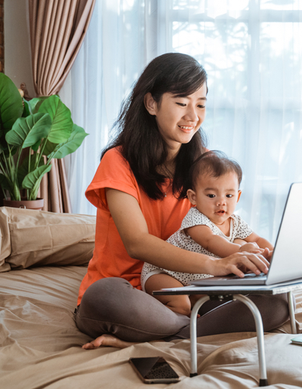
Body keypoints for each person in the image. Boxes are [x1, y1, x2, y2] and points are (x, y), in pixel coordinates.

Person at [75, 53, 289, 349]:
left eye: (200, 104)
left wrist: (259, 254)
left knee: (276, 303)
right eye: (181, 103)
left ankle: (169, 334)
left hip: (190, 291)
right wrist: (217, 264)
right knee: (103, 296)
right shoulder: (118, 161)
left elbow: (225, 223)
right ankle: (190, 330)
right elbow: (137, 242)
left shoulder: (204, 165)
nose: (193, 116)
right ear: (151, 103)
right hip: (132, 294)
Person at [142, 150, 274, 316]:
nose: (221, 202)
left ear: (238, 196)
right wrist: (243, 252)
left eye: (229, 195)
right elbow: (212, 242)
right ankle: (175, 320)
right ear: (193, 197)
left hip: (193, 279)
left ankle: (191, 312)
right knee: (180, 303)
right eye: (211, 195)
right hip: (163, 272)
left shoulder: (236, 221)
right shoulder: (196, 219)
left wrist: (271, 253)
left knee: (222, 300)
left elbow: (257, 238)